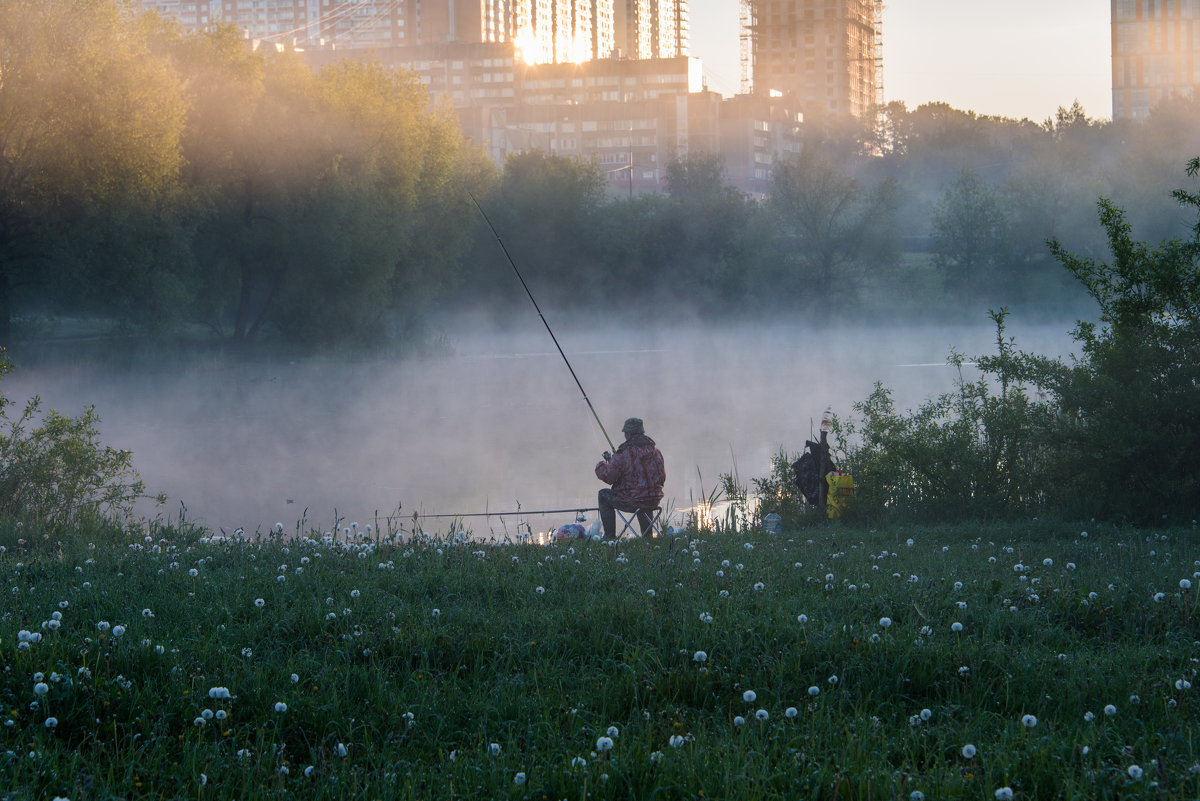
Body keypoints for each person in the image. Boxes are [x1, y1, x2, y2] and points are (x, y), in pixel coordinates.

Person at [595, 417, 665, 538]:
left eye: (625, 433)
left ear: (628, 434)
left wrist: (602, 465)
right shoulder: (656, 452)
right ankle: (647, 536)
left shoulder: (623, 453)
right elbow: (662, 478)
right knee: (644, 495)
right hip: (654, 500)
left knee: (603, 495)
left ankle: (609, 537)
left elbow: (609, 477)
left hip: (632, 501)